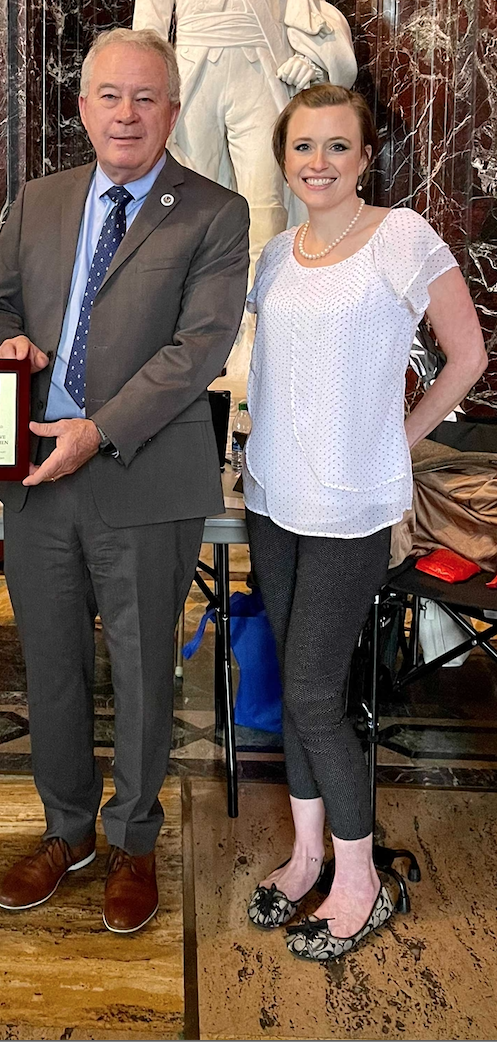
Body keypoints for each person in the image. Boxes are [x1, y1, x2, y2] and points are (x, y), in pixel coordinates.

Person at [0, 28, 249, 934]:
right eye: (109, 96)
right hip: (37, 478)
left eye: (145, 97)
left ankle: (133, 840)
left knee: (140, 672)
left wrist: (97, 430)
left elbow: (197, 349)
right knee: (50, 666)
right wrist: (6, 342)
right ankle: (67, 832)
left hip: (143, 475)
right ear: (83, 106)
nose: (126, 114)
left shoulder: (214, 212)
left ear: (172, 110)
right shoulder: (39, 200)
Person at [242, 84, 486, 960]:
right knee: (297, 685)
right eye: (303, 146)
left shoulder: (401, 236)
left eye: (337, 146)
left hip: (348, 505)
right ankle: (308, 856)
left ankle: (360, 880)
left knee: (315, 694)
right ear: (284, 160)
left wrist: (399, 438)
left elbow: (469, 355)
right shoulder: (275, 254)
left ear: (366, 156)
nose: (319, 163)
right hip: (271, 496)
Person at [132, 0, 356, 377]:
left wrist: (311, 59)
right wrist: (145, 92)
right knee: (188, 218)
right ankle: (194, 342)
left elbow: (306, 10)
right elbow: (148, 29)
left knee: (267, 214)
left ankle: (262, 341)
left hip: (263, 67)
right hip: (190, 76)